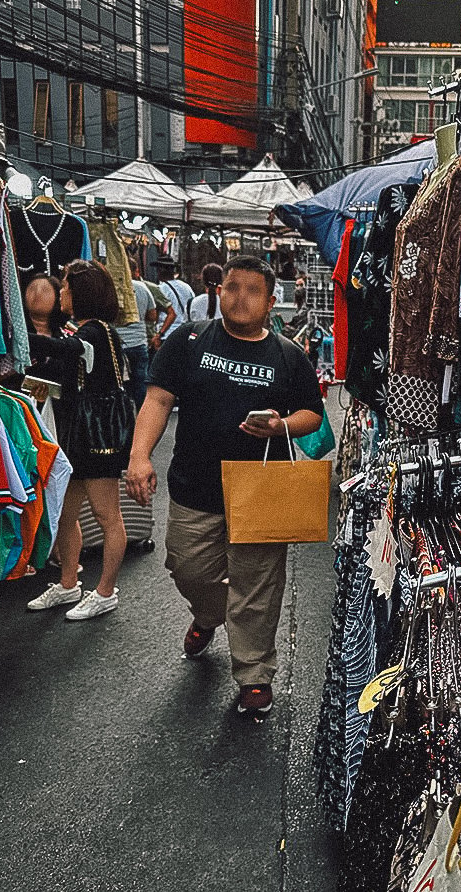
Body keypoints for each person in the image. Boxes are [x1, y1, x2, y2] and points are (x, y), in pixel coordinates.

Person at [126, 254, 324, 715]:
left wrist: (280, 425)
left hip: (260, 490)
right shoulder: (189, 340)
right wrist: (138, 457)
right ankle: (209, 614)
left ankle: (254, 674)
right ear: (219, 291)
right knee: (186, 566)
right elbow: (157, 400)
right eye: (232, 287)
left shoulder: (288, 355)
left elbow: (312, 413)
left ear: (272, 301)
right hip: (195, 486)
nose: (240, 297)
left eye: (253, 290)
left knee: (257, 585)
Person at [26, 260, 131, 621]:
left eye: (67, 287)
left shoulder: (94, 333)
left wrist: (22, 340)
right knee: (66, 513)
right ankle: (69, 583)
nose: (61, 293)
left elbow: (68, 353)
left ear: (82, 292)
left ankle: (105, 591)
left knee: (106, 516)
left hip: (96, 438)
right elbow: (67, 370)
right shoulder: (89, 332)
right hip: (81, 436)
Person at [131, 256, 176, 353]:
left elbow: (171, 313)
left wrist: (159, 334)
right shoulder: (186, 287)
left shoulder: (152, 288)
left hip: (149, 341)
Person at [156, 257, 193, 343]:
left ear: (160, 271)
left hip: (167, 334)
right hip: (184, 332)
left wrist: (158, 334)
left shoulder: (160, 289)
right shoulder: (186, 287)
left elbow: (156, 315)